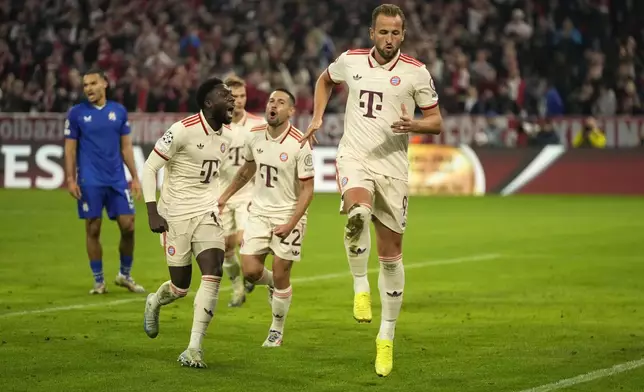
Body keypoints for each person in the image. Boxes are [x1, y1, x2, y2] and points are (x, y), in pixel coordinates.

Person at [300, 3, 442, 377]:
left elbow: (437, 121)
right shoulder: (352, 60)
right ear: (371, 33)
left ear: (403, 35)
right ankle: (360, 286)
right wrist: (317, 116)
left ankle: (386, 337)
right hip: (354, 158)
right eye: (383, 32)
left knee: (391, 255)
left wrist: (414, 124)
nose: (389, 39)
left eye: (395, 33)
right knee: (358, 212)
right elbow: (324, 80)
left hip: (393, 169)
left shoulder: (416, 73)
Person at [141, 77, 235, 368]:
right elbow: (149, 168)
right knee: (181, 287)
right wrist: (152, 211)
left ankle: (194, 348)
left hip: (206, 212)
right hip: (175, 216)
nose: (231, 99)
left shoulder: (227, 137)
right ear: (208, 103)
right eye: (225, 95)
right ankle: (155, 301)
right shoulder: (182, 130)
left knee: (214, 272)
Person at [217, 88, 314, 347]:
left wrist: (292, 223)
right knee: (250, 271)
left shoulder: (300, 142)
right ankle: (273, 285)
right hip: (259, 212)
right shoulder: (255, 135)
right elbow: (247, 169)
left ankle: (276, 329)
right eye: (271, 101)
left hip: (288, 213)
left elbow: (308, 189)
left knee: (282, 271)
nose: (273, 105)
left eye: (281, 102)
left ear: (291, 111)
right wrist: (225, 196)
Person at [63, 68, 144, 295]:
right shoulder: (77, 113)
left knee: (129, 226)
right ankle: (99, 281)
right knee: (93, 228)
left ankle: (124, 275)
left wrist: (135, 177)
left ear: (105, 84)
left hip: (117, 179)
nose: (88, 88)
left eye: (92, 83)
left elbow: (126, 147)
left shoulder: (118, 111)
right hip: (90, 180)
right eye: (85, 85)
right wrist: (70, 179)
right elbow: (70, 149)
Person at [220, 75, 265, 307]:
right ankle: (238, 289)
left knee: (242, 239)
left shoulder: (258, 124)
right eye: (234, 96)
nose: (238, 101)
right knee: (226, 247)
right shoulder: (215, 125)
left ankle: (252, 274)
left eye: (242, 96)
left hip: (249, 193)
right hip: (221, 195)